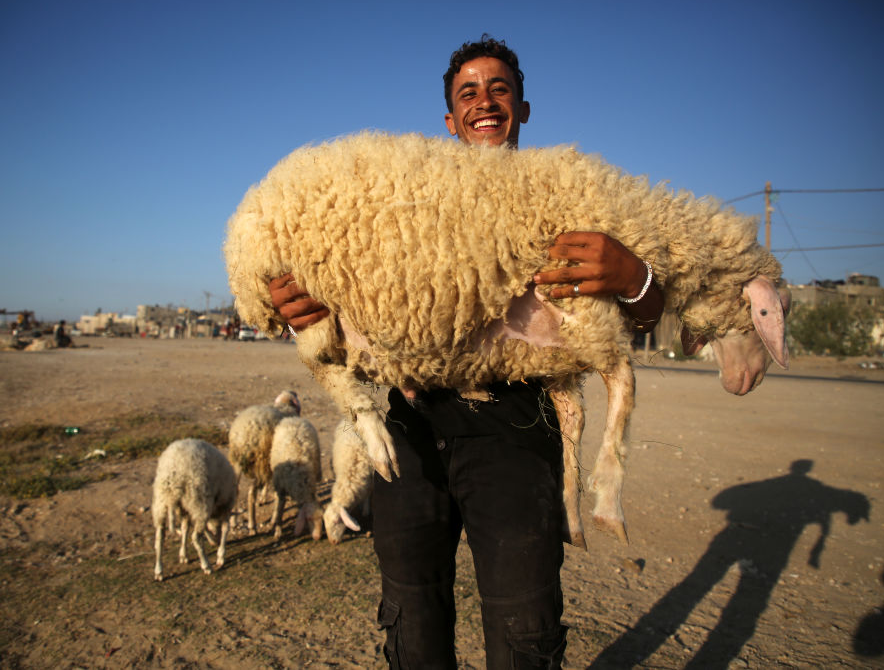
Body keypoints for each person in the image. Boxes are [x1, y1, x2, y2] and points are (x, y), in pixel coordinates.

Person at [269, 36, 664, 669]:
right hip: (411, 430)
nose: (485, 102)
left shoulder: (564, 196)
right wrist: (287, 301)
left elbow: (646, 313)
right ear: (450, 122)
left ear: (523, 109)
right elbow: (332, 280)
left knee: (523, 627)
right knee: (411, 619)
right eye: (469, 94)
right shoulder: (404, 205)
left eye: (499, 89)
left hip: (514, 432)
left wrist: (634, 276)